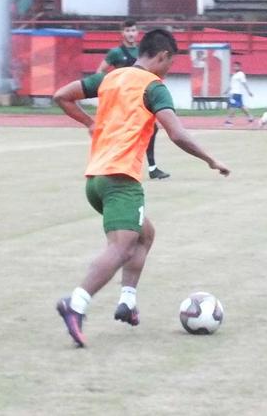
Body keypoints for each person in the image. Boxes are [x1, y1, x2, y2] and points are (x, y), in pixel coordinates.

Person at [52, 28, 230, 348]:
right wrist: (210, 159)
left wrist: (89, 123)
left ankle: (127, 302)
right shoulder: (154, 86)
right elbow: (177, 134)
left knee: (145, 234)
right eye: (170, 64)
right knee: (120, 248)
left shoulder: (112, 77)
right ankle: (75, 304)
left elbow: (61, 95)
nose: (168, 70)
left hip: (96, 180)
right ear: (162, 56)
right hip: (122, 179)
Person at [97, 20, 170, 180]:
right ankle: (111, 164)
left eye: (133, 30)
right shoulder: (116, 53)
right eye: (128, 30)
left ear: (137, 33)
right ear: (122, 33)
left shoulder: (142, 53)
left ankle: (152, 167)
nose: (131, 33)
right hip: (122, 99)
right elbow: (100, 71)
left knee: (152, 129)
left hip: (139, 98)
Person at [224, 60, 254, 126]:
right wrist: (227, 90)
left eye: (236, 66)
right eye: (234, 66)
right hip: (234, 93)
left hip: (236, 94)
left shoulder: (241, 74)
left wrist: (249, 91)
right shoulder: (234, 75)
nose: (235, 68)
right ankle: (250, 117)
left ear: (239, 67)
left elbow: (244, 83)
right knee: (242, 106)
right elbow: (231, 85)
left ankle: (228, 121)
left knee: (233, 107)